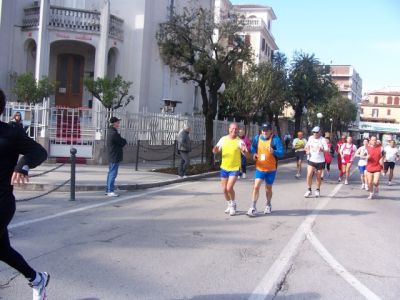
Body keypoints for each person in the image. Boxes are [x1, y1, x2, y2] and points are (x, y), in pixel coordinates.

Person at [0, 89, 50, 300]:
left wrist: (22, 166)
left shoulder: (10, 133)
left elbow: (39, 151)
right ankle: (37, 279)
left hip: (1, 202)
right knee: (2, 250)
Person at [246, 123, 284, 216]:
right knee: (256, 186)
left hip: (271, 169)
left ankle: (268, 204)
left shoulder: (275, 139)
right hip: (260, 168)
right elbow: (253, 147)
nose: (265, 132)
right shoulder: (257, 138)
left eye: (267, 130)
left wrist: (273, 151)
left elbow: (282, 152)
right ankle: (253, 207)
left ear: (271, 131)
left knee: (268, 189)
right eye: (263, 130)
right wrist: (254, 153)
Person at [212, 122, 248, 216]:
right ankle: (229, 203)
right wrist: (215, 150)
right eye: (232, 128)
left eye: (236, 129)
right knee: (224, 189)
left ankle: (233, 205)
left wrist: (245, 150)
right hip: (224, 167)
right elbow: (216, 150)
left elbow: (246, 154)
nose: (234, 130)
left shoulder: (239, 141)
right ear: (229, 129)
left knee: (229, 188)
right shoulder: (223, 139)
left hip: (235, 168)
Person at [304, 126, 329, 198]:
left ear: (320, 133)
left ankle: (317, 190)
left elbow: (327, 150)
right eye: (314, 132)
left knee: (318, 177)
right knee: (309, 175)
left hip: (320, 161)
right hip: (312, 160)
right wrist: (307, 150)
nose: (315, 133)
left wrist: (322, 150)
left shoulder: (323, 140)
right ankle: (309, 190)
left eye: (316, 132)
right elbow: (306, 146)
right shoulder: (310, 138)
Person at [106, 116, 127, 197]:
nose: (119, 123)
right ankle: (110, 191)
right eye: (118, 122)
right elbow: (122, 142)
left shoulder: (111, 131)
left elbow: (120, 141)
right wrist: (124, 140)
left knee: (110, 173)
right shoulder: (113, 133)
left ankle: (108, 190)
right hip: (114, 155)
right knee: (113, 173)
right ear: (114, 123)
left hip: (112, 155)